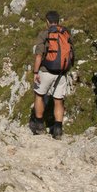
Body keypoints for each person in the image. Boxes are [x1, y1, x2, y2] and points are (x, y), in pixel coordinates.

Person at [29, 10, 70, 139]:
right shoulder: (65, 33)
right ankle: (58, 130)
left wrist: (35, 72)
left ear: (47, 21)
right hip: (61, 73)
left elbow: (39, 55)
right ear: (58, 21)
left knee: (39, 96)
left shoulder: (44, 34)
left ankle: (40, 126)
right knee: (58, 101)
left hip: (46, 71)